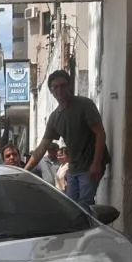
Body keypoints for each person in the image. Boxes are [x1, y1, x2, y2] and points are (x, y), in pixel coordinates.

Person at [25, 70, 107, 208]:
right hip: (74, 166)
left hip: (90, 164)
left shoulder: (84, 104)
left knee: (85, 206)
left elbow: (100, 133)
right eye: (55, 87)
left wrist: (96, 163)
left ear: (69, 86)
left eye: (63, 85)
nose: (59, 90)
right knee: (71, 207)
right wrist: (24, 171)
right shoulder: (55, 117)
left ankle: (92, 229)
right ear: (51, 91)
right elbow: (41, 148)